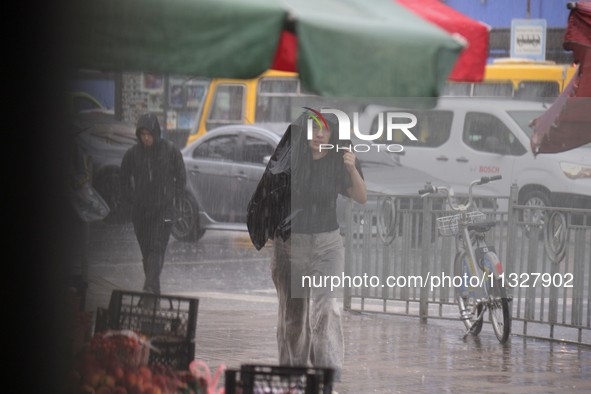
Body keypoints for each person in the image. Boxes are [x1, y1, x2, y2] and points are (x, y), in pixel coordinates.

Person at [249, 109, 366, 387]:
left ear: (331, 134)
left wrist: (352, 168)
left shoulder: (340, 160)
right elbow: (271, 197)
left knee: (326, 311)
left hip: (328, 245)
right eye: (314, 129)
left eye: (324, 130)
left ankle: (327, 381)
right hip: (292, 247)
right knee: (294, 320)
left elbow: (361, 197)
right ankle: (294, 379)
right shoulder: (293, 162)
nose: (319, 135)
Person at [119, 113, 186, 301]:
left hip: (163, 211)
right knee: (147, 252)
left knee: (157, 249)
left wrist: (171, 198)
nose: (146, 138)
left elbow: (181, 178)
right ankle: (153, 293)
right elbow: (123, 180)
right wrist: (133, 200)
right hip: (141, 213)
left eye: (149, 133)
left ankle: (148, 288)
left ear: (156, 132)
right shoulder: (132, 154)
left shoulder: (170, 151)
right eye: (143, 134)